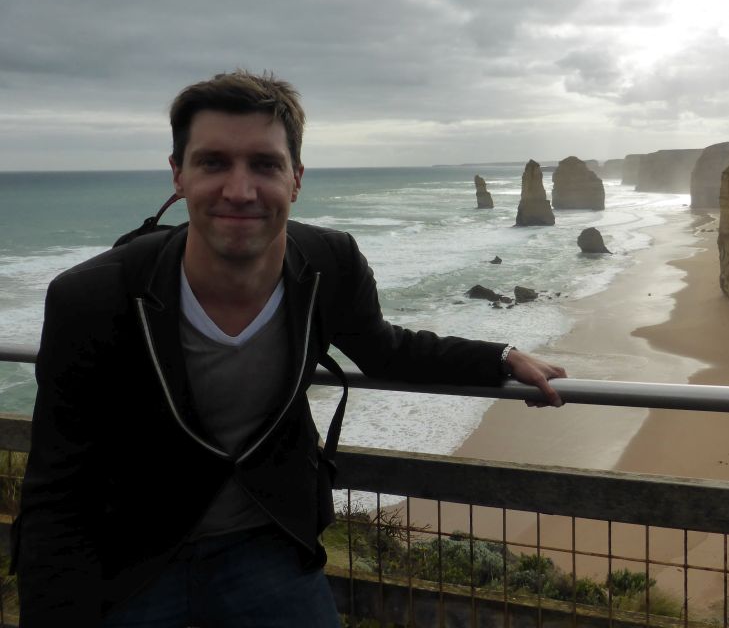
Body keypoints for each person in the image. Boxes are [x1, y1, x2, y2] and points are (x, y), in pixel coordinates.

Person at [12, 70, 567, 627]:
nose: (239, 189)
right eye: (213, 163)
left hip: (268, 544)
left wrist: (499, 356)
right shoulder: (94, 297)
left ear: (296, 178)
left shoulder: (330, 262)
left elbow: (384, 349)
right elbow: (59, 489)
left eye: (264, 164)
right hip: (133, 557)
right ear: (178, 175)